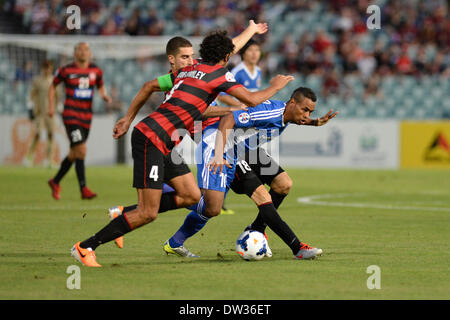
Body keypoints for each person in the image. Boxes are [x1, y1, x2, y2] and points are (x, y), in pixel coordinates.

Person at [70, 28, 294, 267]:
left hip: (163, 142)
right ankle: (86, 246)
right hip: (152, 138)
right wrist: (276, 86)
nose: (188, 59)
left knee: (191, 195)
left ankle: (123, 214)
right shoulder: (218, 74)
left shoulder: (186, 70)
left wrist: (127, 118)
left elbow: (148, 85)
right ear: (226, 58)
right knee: (148, 212)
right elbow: (251, 99)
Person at [107, 21, 270, 250]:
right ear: (172, 59)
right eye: (184, 57)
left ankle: (137, 220)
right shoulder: (176, 77)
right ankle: (160, 233)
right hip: (190, 131)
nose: (190, 61)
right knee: (208, 202)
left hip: (181, 136)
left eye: (191, 56)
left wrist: (251, 31)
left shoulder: (196, 69)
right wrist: (232, 110)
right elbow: (196, 109)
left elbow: (226, 49)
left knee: (192, 196)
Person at [166, 87, 337, 260]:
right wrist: (218, 155)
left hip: (250, 150)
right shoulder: (270, 113)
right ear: (292, 103)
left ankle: (255, 230)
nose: (307, 115)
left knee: (283, 184)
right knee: (228, 204)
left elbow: (296, 118)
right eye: (305, 110)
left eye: (310, 112)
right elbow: (228, 118)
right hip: (230, 150)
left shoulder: (286, 114)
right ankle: (297, 247)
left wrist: (315, 122)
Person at [47, 42, 112, 200]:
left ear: (90, 53)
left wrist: (104, 95)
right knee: (81, 150)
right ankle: (83, 189)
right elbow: (52, 86)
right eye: (80, 50)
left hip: (86, 117)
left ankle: (55, 181)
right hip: (70, 115)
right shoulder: (66, 70)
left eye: (86, 50)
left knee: (74, 153)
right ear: (74, 53)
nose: (83, 52)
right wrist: (51, 106)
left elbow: (100, 86)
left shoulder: (96, 70)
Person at [215, 38, 263, 215]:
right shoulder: (239, 71)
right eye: (251, 50)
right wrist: (237, 106)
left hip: (249, 122)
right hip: (235, 120)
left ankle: (220, 200)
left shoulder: (257, 71)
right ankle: (217, 199)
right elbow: (221, 94)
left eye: (257, 50)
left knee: (238, 160)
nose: (254, 54)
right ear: (243, 53)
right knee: (232, 159)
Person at [25, 60, 59, 167]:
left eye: (49, 68)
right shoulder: (37, 81)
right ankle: (28, 157)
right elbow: (32, 94)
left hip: (50, 113)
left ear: (51, 69)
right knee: (37, 134)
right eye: (45, 67)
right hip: (39, 112)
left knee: (51, 135)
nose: (47, 70)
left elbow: (57, 96)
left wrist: (58, 107)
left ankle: (49, 160)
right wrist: (30, 107)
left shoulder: (54, 81)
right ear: (42, 69)